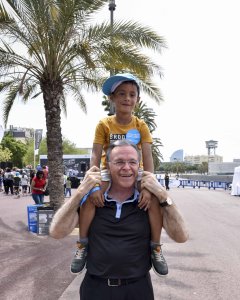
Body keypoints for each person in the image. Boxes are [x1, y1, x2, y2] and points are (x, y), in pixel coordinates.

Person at [50, 140, 188, 300]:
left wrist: (164, 195)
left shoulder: (150, 202)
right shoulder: (94, 200)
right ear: (108, 166)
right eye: (119, 162)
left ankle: (156, 249)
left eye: (132, 162)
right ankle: (82, 246)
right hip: (95, 289)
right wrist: (80, 192)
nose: (127, 167)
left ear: (139, 166)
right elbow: (57, 232)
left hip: (138, 289)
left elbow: (181, 236)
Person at [70, 73, 167, 276]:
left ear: (137, 100)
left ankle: (156, 247)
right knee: (88, 200)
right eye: (121, 94)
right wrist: (95, 185)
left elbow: (147, 157)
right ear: (111, 98)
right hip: (109, 170)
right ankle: (82, 245)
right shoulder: (104, 124)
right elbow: (96, 154)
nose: (127, 98)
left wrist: (148, 187)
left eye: (132, 94)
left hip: (135, 171)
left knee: (157, 201)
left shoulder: (141, 126)